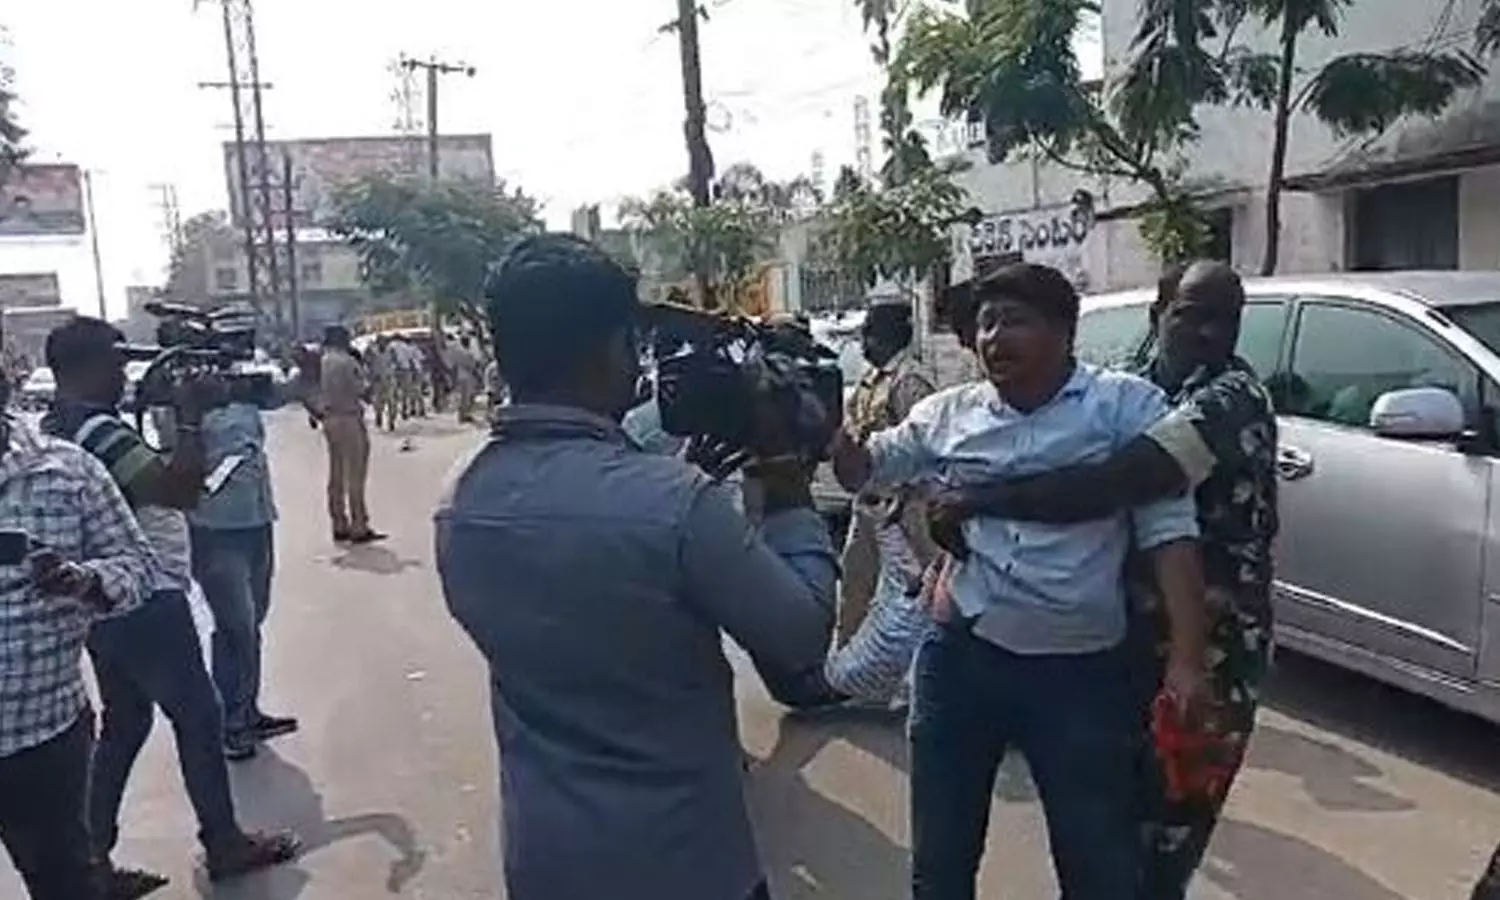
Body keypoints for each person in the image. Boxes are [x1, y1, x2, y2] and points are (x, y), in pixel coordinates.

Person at [436, 234, 838, 900]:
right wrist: (784, 478)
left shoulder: (460, 499)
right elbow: (800, 641)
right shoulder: (676, 506)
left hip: (546, 859)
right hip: (686, 861)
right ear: (611, 347)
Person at [830, 262, 1210, 900]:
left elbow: (1170, 531)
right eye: (984, 323)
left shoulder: (1123, 407)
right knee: (941, 866)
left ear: (1065, 332)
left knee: (1097, 867)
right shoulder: (945, 414)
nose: (993, 338)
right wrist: (827, 430)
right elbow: (865, 471)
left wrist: (1189, 661)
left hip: (1080, 674)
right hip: (961, 663)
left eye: (1014, 320)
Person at [926, 261, 1278, 898]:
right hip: (1120, 638)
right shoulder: (1136, 390)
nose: (1206, 331)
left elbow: (1119, 483)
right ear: (1158, 313)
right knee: (1114, 824)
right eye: (1190, 312)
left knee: (1169, 826)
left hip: (1212, 642)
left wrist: (976, 498)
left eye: (1224, 318)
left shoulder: (1229, 399)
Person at [42, 318, 298, 896]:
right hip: (142, 591)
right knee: (200, 715)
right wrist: (189, 416)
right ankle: (224, 842)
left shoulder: (63, 423)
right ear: (88, 365)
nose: (124, 372)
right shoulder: (99, 430)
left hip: (103, 596)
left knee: (127, 723)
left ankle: (93, 857)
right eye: (115, 360)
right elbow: (177, 489)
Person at [0, 386, 158, 900]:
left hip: (43, 735)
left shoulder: (68, 471)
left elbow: (137, 567)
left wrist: (84, 581)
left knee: (66, 882)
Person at [185, 382, 300, 762]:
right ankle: (232, 723)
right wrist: (188, 409)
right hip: (215, 529)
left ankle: (245, 710)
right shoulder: (184, 400)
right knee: (237, 627)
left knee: (252, 623)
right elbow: (175, 457)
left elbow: (290, 391)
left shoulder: (243, 394)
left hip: (257, 519)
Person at [837, 300, 938, 648]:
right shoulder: (870, 380)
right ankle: (847, 664)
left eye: (867, 333)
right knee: (857, 580)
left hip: (906, 508)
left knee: (919, 586)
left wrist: (907, 499)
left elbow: (924, 448)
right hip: (870, 501)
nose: (862, 342)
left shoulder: (910, 381)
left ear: (885, 337)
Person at [311, 325, 382, 544]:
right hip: (349, 417)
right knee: (356, 475)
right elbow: (361, 391)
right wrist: (373, 384)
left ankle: (338, 523)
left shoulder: (321, 362)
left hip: (329, 419)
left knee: (336, 473)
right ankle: (359, 525)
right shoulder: (347, 362)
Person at [447, 336, 482, 424]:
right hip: (467, 377)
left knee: (463, 397)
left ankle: (463, 415)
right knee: (467, 397)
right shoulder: (466, 353)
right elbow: (472, 366)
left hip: (460, 376)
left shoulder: (458, 352)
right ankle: (463, 415)